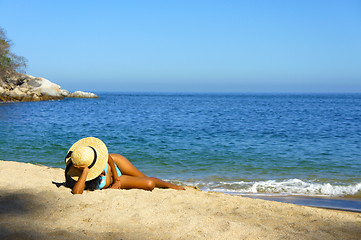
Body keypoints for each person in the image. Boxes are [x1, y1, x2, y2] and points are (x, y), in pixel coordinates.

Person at [65, 137, 185, 194]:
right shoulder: (78, 176)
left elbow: (107, 156)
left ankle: (170, 185)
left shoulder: (95, 156)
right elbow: (76, 192)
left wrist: (117, 179)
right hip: (117, 180)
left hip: (117, 165)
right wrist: (86, 171)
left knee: (144, 177)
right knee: (149, 184)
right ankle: (166, 185)